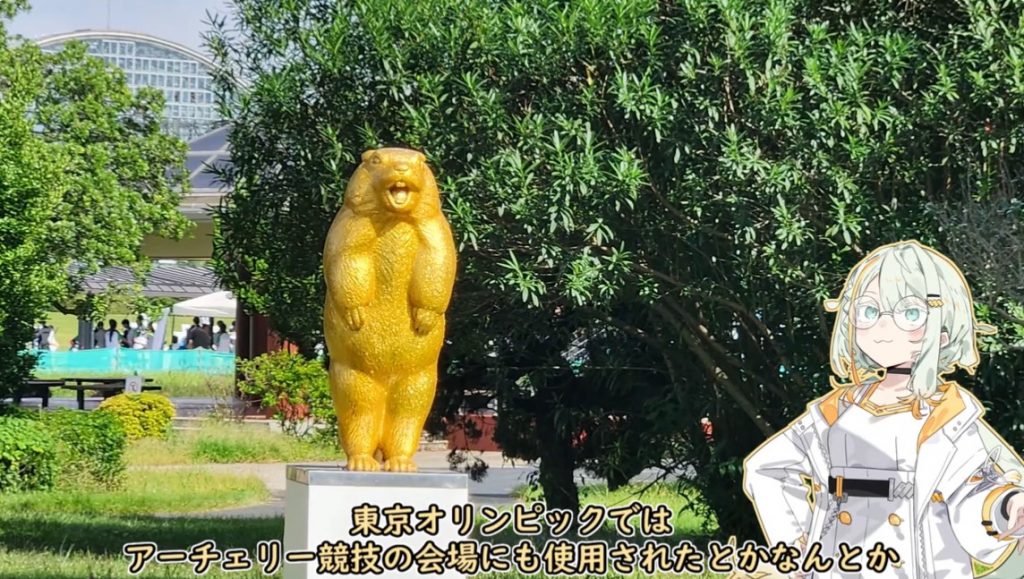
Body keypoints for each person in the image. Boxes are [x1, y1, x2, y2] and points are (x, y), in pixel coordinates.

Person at [743, 240, 1024, 579]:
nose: (883, 327)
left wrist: (1007, 507)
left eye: (910, 314)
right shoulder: (836, 410)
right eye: (869, 311)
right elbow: (765, 467)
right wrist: (795, 546)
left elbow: (973, 490)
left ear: (945, 332)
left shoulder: (949, 418)